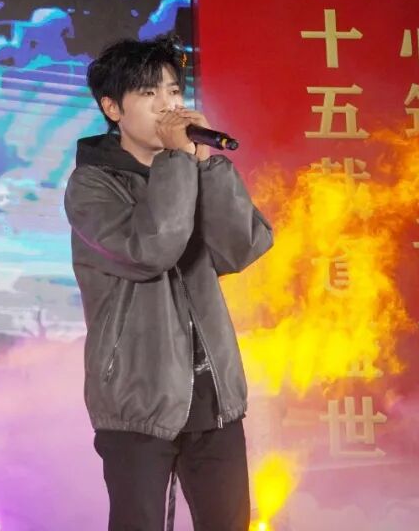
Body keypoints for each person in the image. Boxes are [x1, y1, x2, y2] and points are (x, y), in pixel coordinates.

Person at [64, 34, 273, 530]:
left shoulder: (190, 167)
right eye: (149, 93)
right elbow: (152, 248)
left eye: (174, 91)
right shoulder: (92, 186)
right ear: (112, 108)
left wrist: (207, 166)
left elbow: (242, 247)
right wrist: (178, 162)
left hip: (213, 398)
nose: (168, 106)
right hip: (138, 398)